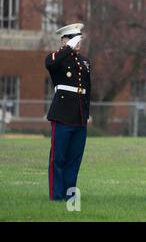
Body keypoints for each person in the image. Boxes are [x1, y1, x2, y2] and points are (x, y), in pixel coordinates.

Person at [45, 23, 91, 201]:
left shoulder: (84, 61)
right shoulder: (57, 58)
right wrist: (68, 47)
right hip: (62, 114)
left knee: (74, 159)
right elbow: (50, 63)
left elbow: (88, 89)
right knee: (58, 158)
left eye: (78, 38)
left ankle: (69, 194)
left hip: (79, 115)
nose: (77, 42)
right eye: (72, 38)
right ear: (64, 40)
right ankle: (56, 196)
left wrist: (86, 114)